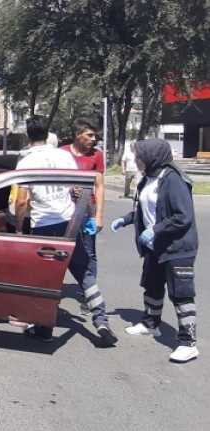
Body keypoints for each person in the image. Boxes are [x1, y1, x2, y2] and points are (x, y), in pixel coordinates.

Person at [14, 116, 117, 346]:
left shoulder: (26, 161)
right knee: (84, 273)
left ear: (28, 136)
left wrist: (20, 227)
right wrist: (89, 215)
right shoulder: (63, 156)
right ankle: (101, 319)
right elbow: (78, 188)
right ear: (48, 132)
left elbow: (21, 202)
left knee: (47, 280)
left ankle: (44, 328)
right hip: (70, 223)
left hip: (44, 226)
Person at [111, 138, 199, 363]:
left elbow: (183, 216)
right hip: (155, 247)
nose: (136, 161)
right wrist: (126, 219)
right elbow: (145, 209)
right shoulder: (147, 179)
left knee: (181, 293)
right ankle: (151, 324)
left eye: (139, 157)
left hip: (176, 248)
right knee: (152, 284)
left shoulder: (173, 180)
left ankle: (188, 343)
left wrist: (156, 230)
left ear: (152, 157)